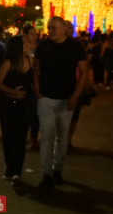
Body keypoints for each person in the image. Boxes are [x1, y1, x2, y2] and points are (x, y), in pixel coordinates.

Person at [33, 16, 88, 189]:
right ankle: (47, 173)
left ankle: (58, 169)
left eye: (54, 28)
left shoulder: (75, 46)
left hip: (66, 98)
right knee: (47, 136)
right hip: (46, 98)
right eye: (49, 28)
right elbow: (36, 69)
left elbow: (84, 72)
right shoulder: (43, 45)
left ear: (64, 28)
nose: (50, 31)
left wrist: (75, 96)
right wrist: (37, 91)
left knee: (62, 137)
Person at [0, 35, 32, 185]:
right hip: (8, 104)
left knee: (21, 138)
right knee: (8, 137)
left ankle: (17, 171)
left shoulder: (31, 61)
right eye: (24, 43)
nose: (27, 44)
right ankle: (10, 168)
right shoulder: (8, 63)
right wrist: (12, 92)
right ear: (17, 47)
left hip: (24, 105)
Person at [22, 24, 41, 150]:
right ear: (25, 35)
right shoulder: (20, 48)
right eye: (31, 34)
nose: (34, 36)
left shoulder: (39, 49)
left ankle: (33, 136)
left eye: (35, 34)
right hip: (23, 83)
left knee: (35, 112)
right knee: (23, 112)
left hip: (35, 85)